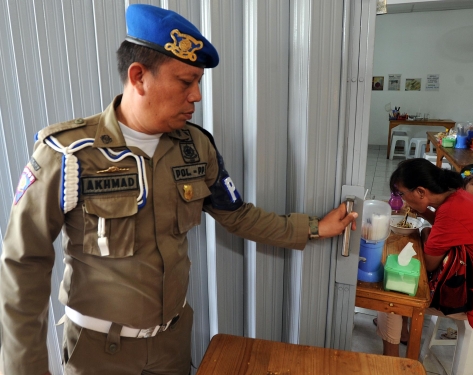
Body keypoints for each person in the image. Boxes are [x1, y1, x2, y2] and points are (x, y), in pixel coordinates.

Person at [0, 5, 358, 375]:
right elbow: (23, 265)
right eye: (186, 82)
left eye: (198, 83)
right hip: (98, 354)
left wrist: (315, 227)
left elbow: (237, 216)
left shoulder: (196, 148)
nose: (197, 96)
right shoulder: (69, 154)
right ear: (138, 77)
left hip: (171, 345)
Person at [375, 158, 473, 357]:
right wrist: (424, 214)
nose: (403, 200)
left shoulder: (451, 211)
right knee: (401, 278)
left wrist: (426, 234)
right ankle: (401, 332)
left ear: (421, 191)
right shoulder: (458, 195)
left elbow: (430, 264)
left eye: (403, 194)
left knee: (393, 293)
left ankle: (393, 363)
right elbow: (441, 223)